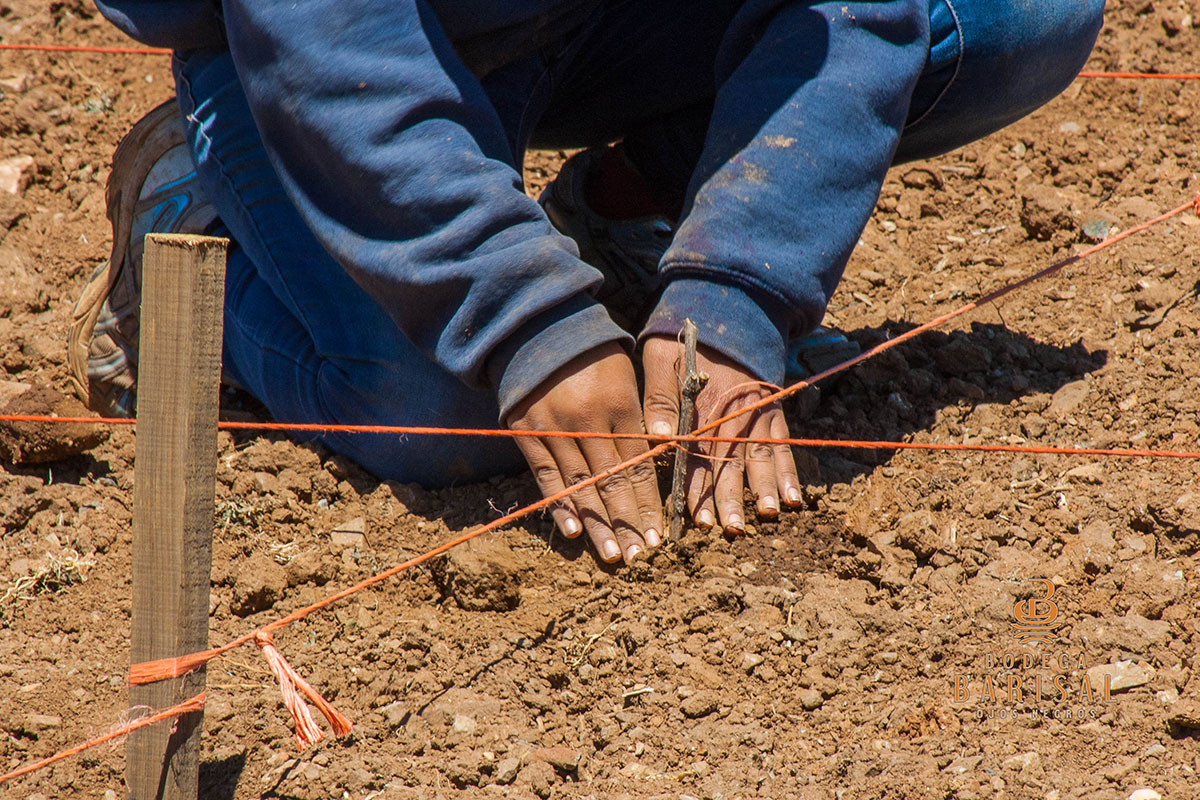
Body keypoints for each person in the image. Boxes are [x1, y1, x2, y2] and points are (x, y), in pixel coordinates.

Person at [74, 1, 1104, 565]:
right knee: (446, 414)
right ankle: (192, 234)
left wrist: (738, 287)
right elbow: (329, 41)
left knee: (1019, 11)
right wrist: (525, 322)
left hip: (614, 20)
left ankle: (629, 211)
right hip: (306, 44)